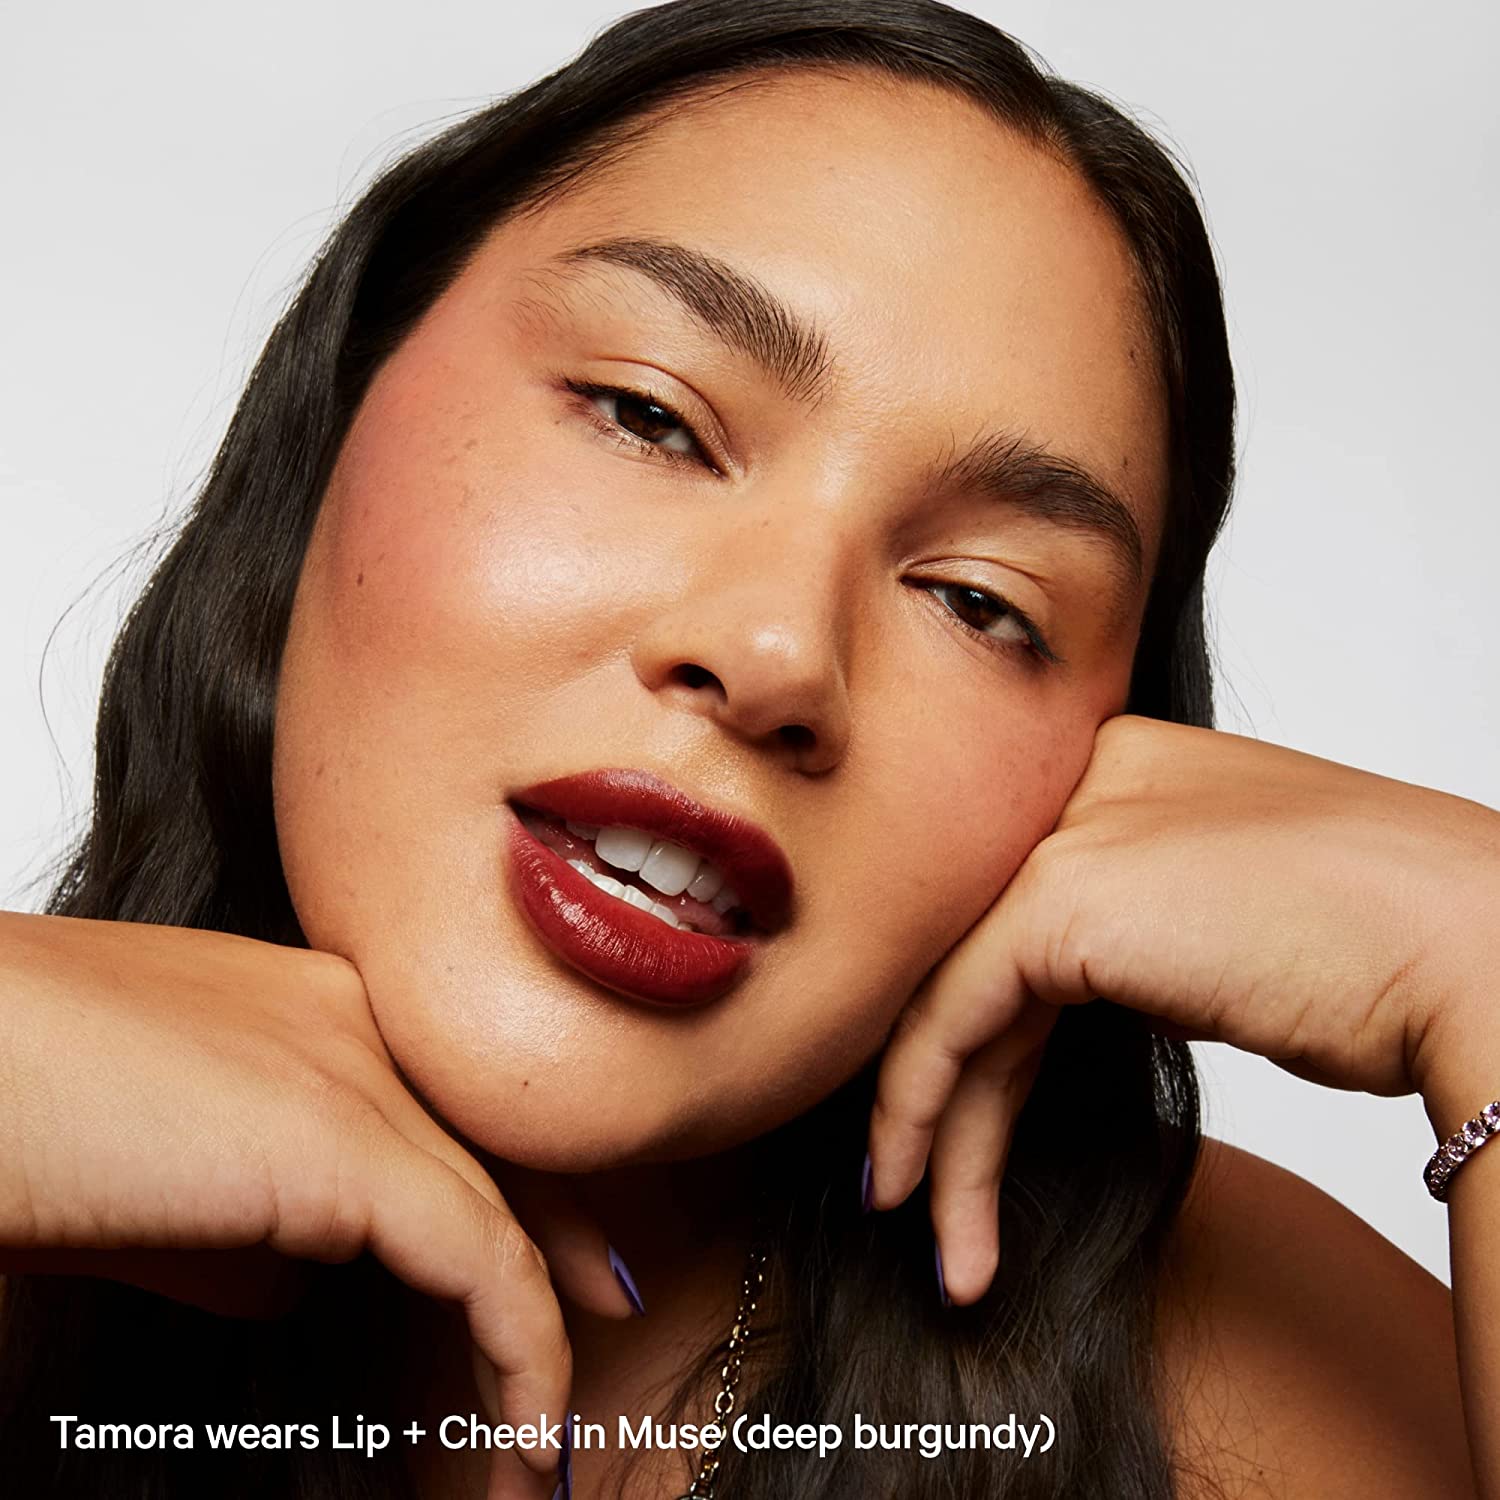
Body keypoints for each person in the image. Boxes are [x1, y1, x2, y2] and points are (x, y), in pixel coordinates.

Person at [0, 1, 1491, 1497]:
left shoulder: (1257, 1389)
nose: (781, 653)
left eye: (981, 602)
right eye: (650, 418)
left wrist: (1480, 952)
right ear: (338, 406)